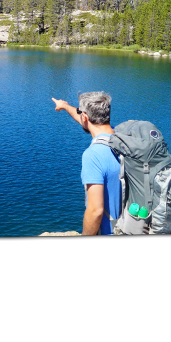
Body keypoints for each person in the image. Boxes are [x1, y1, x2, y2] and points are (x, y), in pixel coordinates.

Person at [52, 92, 122, 235]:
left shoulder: (93, 155)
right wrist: (65, 106)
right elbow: (86, 122)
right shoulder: (122, 137)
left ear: (85, 117)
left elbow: (95, 211)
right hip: (134, 226)